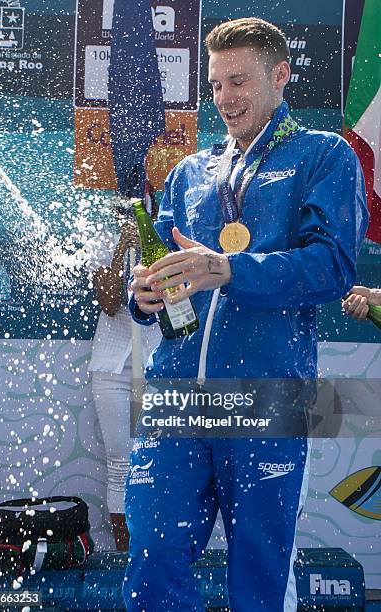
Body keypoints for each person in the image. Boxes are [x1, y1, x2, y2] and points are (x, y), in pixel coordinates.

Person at [124, 17, 368, 611]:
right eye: (215, 86)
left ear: (280, 76)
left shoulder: (323, 155)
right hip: (176, 398)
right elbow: (157, 277)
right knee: (152, 562)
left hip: (267, 396)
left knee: (258, 577)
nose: (225, 100)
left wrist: (231, 270)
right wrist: (144, 297)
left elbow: (333, 266)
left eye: (239, 82)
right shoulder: (190, 172)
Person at [88, 219, 160, 551]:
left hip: (159, 365)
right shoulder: (102, 239)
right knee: (120, 464)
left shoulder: (166, 234)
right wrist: (121, 247)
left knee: (159, 460)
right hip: (112, 368)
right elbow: (108, 301)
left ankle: (156, 554)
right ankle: (124, 557)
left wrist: (148, 244)